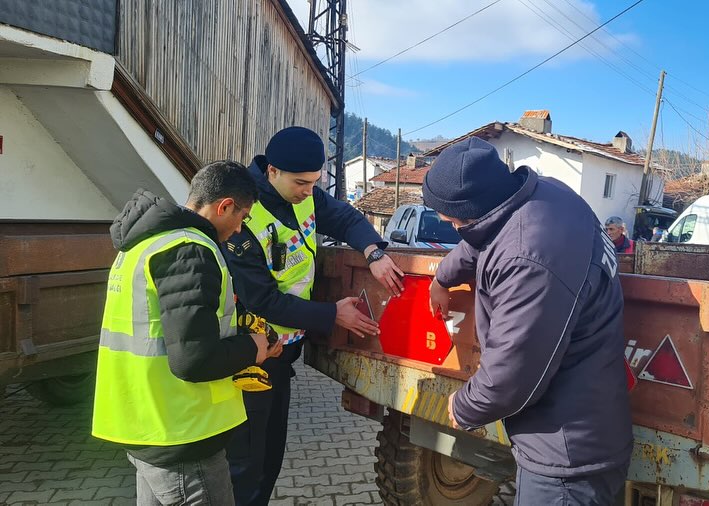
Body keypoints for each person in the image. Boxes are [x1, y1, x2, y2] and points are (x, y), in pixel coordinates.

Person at [425, 137, 632, 505]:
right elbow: (480, 238)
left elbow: (512, 374)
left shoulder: (529, 260)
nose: (446, 223)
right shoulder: (545, 196)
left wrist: (464, 407)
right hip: (581, 428)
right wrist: (443, 277)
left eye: (452, 219)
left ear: (472, 209)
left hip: (566, 454)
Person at [222, 126, 405, 505]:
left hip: (282, 358)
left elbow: (347, 218)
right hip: (251, 362)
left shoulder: (306, 196)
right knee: (246, 465)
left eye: (314, 182)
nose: (309, 190)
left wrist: (373, 253)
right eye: (301, 183)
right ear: (272, 171)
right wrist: (330, 315)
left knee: (270, 459)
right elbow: (263, 301)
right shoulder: (245, 215)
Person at [92, 161, 283, 506]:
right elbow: (194, 360)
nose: (240, 230)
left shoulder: (146, 243)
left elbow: (167, 329)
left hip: (146, 421)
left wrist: (238, 328)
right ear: (225, 206)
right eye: (242, 217)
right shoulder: (191, 250)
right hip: (182, 434)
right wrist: (253, 349)